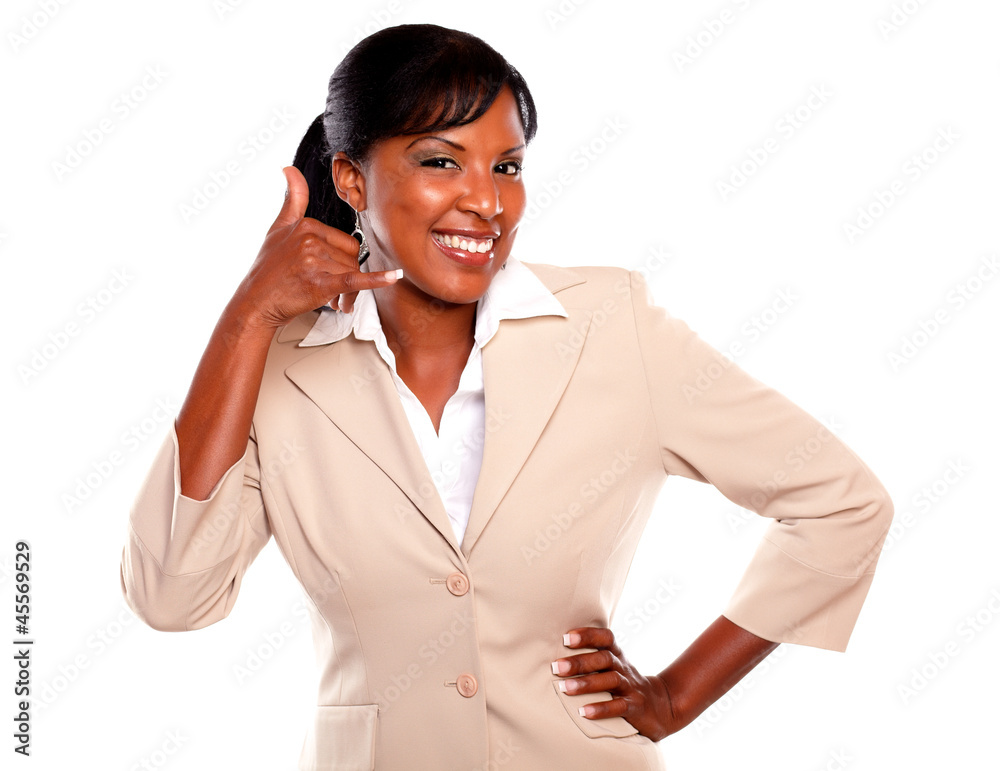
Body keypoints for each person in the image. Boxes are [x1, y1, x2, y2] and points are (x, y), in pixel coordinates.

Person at [120, 23, 894, 771]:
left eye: (507, 167)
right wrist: (247, 316)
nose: (486, 201)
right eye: (441, 161)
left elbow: (841, 501)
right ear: (352, 178)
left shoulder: (611, 327)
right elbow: (170, 595)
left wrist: (677, 695)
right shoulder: (279, 366)